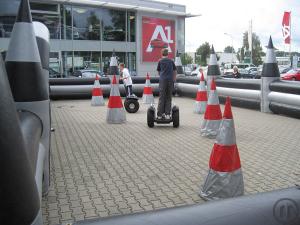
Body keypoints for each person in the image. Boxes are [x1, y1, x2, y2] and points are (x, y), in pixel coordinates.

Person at [156, 48, 177, 119]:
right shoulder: (171, 61)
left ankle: (159, 115)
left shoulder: (160, 61)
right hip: (170, 80)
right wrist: (173, 79)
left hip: (162, 81)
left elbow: (158, 71)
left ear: (161, 54)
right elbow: (174, 71)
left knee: (162, 97)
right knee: (168, 97)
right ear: (168, 54)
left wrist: (162, 76)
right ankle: (167, 114)